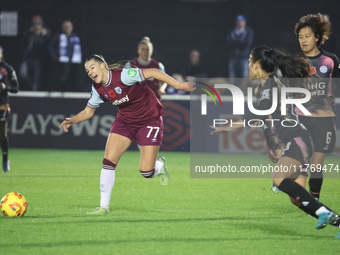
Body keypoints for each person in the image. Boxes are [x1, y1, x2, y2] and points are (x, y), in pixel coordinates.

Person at [210, 45, 340, 237]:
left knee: (279, 179)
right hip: (297, 141)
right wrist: (272, 147)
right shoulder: (265, 87)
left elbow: (259, 115)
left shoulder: (271, 86)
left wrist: (229, 126)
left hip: (297, 140)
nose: (248, 67)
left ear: (255, 65)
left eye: (249, 63)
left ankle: (324, 213)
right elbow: (267, 120)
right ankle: (335, 220)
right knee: (297, 199)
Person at [60, 54, 192, 215]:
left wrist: (177, 85)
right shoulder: (97, 89)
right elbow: (88, 111)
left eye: (92, 67)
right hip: (125, 122)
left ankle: (159, 166)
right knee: (108, 161)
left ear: (103, 66)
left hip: (149, 120)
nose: (89, 72)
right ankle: (103, 207)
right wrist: (72, 121)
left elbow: (152, 72)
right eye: (87, 70)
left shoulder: (123, 75)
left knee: (146, 172)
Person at [294, 13, 340, 200]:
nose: (303, 41)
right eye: (300, 37)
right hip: (300, 117)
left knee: (317, 165)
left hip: (324, 119)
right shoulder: (294, 61)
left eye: (307, 36)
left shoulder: (331, 61)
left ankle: (314, 199)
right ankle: (286, 184)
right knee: (296, 161)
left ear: (317, 38)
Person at [0, 46, 19, 172]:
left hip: (3, 105)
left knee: (2, 134)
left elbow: (16, 89)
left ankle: (5, 161)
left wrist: (5, 88)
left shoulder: (8, 69)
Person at [48, 20, 82, 92]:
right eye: (65, 27)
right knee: (61, 78)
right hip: (61, 63)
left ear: (72, 28)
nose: (67, 29)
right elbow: (51, 46)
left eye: (68, 27)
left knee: (72, 78)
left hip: (73, 62)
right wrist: (55, 58)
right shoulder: (58, 36)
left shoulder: (75, 37)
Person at [20, 15, 50, 91]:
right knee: (23, 73)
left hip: (38, 59)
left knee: (37, 76)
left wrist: (44, 33)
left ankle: (35, 88)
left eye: (38, 24)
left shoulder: (44, 34)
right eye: (35, 24)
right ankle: (31, 85)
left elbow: (48, 42)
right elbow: (23, 44)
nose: (37, 26)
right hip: (28, 58)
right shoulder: (28, 34)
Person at [226, 14, 254, 85]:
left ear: (244, 22)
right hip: (233, 57)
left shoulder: (248, 31)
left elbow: (247, 43)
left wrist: (235, 41)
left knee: (244, 76)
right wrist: (240, 42)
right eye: (238, 21)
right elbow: (229, 42)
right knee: (232, 77)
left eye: (241, 21)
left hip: (244, 58)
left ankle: (243, 91)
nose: (240, 23)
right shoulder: (232, 31)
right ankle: (233, 91)